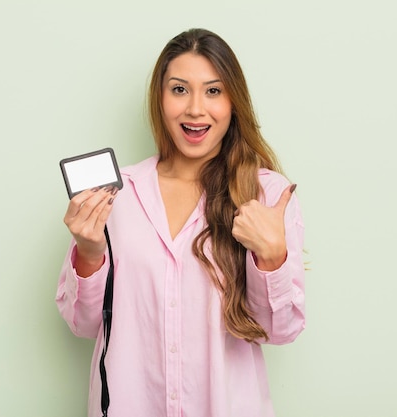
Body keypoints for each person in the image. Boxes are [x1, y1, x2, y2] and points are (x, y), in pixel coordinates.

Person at [56, 28, 305, 417]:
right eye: (179, 89)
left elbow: (281, 331)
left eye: (213, 91)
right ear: (160, 98)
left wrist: (271, 257)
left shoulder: (267, 196)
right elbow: (86, 326)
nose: (194, 109)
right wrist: (88, 253)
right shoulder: (117, 196)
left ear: (233, 102)